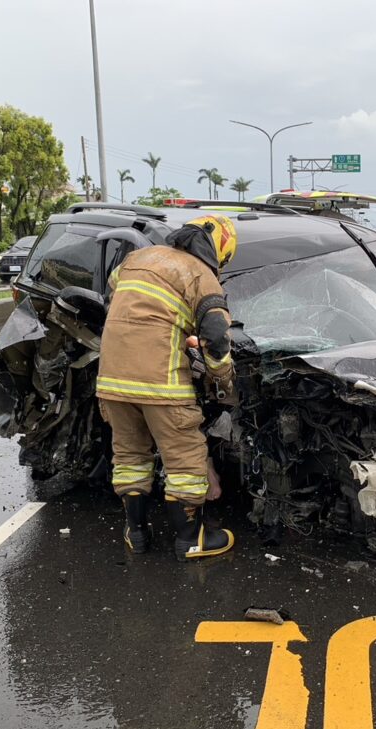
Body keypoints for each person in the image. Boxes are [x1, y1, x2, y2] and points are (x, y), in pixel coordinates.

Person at [96, 214, 238, 561]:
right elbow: (217, 338)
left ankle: (137, 533)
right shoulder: (201, 275)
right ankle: (192, 540)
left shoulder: (137, 258)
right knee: (185, 459)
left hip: (111, 379)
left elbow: (112, 298)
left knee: (129, 456)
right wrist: (222, 379)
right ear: (219, 251)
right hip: (162, 384)